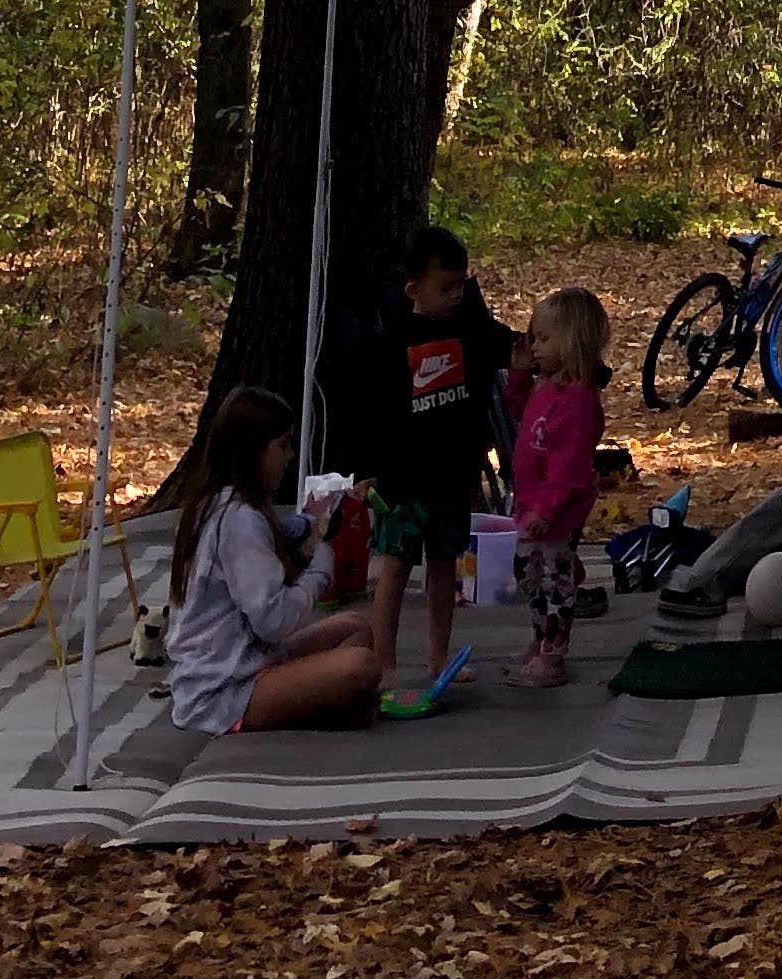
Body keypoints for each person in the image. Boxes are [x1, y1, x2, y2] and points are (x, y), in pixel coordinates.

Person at [349, 222, 517, 691]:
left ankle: (439, 657)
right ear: (412, 290)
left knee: (445, 568)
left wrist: (559, 351)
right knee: (396, 568)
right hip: (402, 479)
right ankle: (382, 664)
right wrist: (368, 472)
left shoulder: (475, 330)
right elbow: (371, 412)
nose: (456, 295)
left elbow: (516, 350)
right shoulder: (393, 341)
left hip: (452, 477)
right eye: (445, 288)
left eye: (462, 285)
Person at [163, 383, 378, 734]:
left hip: (251, 657)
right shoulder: (238, 520)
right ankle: (310, 705)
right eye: (282, 445)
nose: (289, 455)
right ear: (254, 452)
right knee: (362, 665)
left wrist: (306, 527)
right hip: (223, 689)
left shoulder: (225, 504)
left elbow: (281, 538)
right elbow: (274, 620)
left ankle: (318, 702)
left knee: (354, 627)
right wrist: (322, 567)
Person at [506, 286, 611, 687]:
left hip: (555, 511)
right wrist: (518, 377)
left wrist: (547, 510)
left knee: (554, 580)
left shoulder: (579, 401)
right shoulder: (545, 386)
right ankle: (540, 639)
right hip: (530, 502)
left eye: (544, 339)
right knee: (527, 574)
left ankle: (554, 652)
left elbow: (569, 467)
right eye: (534, 337)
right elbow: (525, 416)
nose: (535, 346)